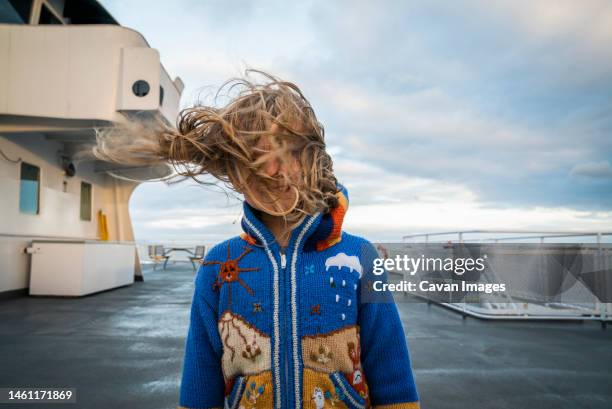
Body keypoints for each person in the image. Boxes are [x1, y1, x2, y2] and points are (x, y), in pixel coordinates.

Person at [94, 71, 419, 409]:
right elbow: (200, 374)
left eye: (287, 153)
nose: (272, 172)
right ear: (233, 173)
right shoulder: (218, 265)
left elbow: (390, 367)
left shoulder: (361, 257)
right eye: (253, 160)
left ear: (313, 158)